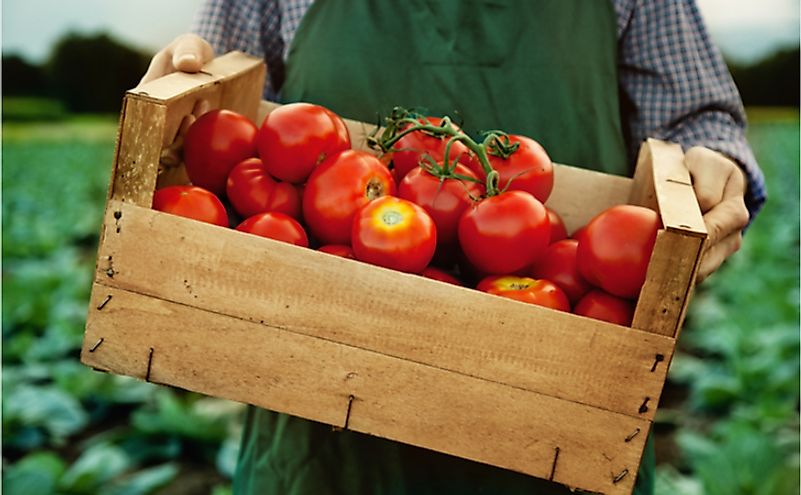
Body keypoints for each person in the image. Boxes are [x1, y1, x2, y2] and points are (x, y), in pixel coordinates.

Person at [141, 1, 767, 494]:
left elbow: (696, 120)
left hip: (564, 419)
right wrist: (189, 78)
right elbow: (221, 84)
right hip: (315, 425)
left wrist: (715, 164)